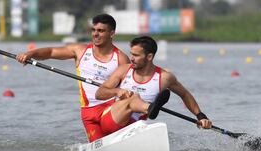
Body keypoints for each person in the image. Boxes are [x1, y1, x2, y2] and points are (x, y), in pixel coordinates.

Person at [16, 14, 130, 142]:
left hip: (110, 108)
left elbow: (131, 87)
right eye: (93, 30)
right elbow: (51, 52)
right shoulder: (80, 51)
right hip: (89, 113)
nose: (95, 34)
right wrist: (30, 53)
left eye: (101, 31)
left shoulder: (121, 59)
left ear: (112, 33)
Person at [95, 36, 212, 136]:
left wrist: (200, 116)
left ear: (149, 57)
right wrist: (117, 91)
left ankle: (150, 109)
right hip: (110, 121)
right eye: (131, 54)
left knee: (139, 111)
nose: (131, 58)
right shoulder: (124, 70)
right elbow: (99, 93)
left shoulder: (165, 77)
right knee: (134, 98)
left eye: (136, 55)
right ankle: (149, 108)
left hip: (133, 127)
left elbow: (185, 94)